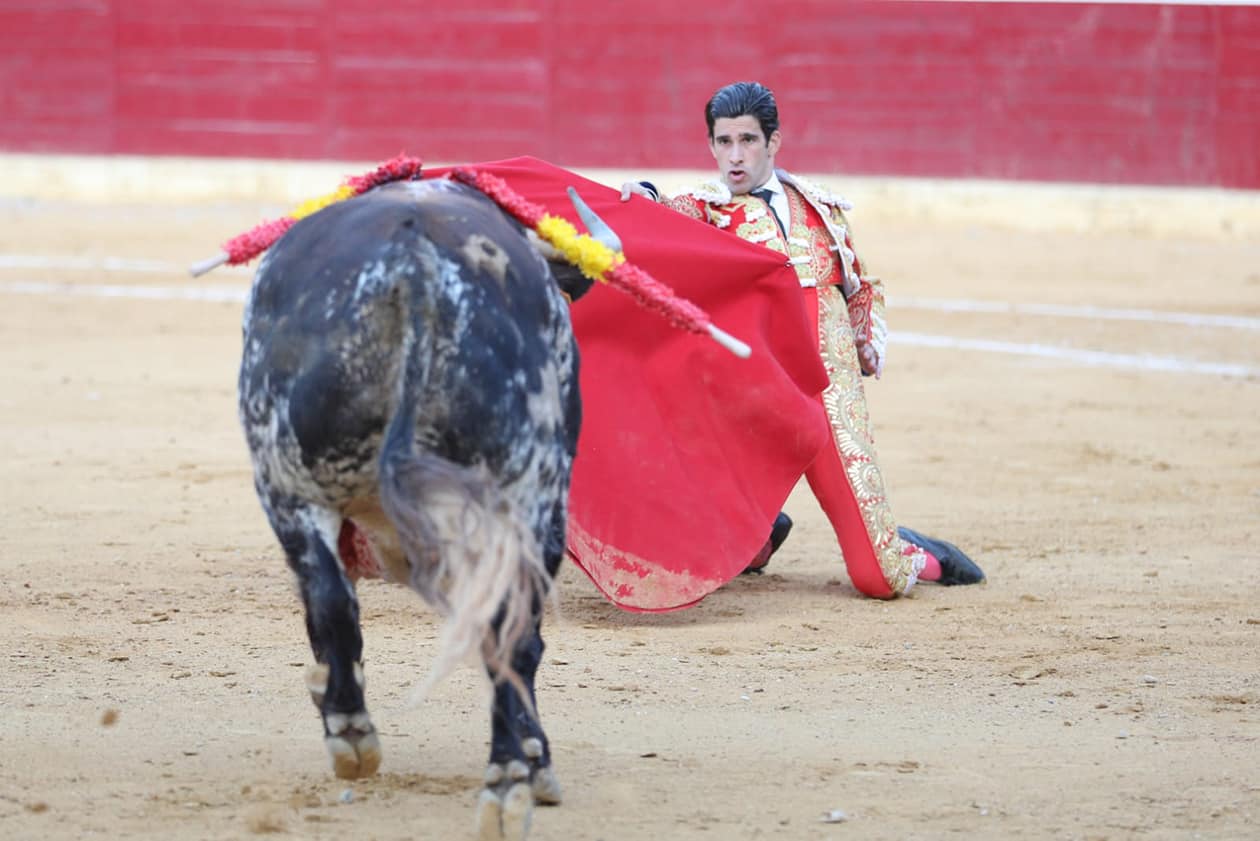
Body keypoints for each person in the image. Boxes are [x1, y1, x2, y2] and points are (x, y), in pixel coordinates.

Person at [620, 81, 984, 598]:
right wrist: (645, 194)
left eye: (747, 140)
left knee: (878, 580)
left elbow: (857, 284)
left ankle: (916, 552)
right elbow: (657, 220)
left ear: (774, 142)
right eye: (723, 142)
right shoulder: (709, 210)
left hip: (829, 401)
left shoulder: (819, 207)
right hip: (753, 405)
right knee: (684, 560)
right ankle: (757, 537)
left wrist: (863, 343)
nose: (735, 156)